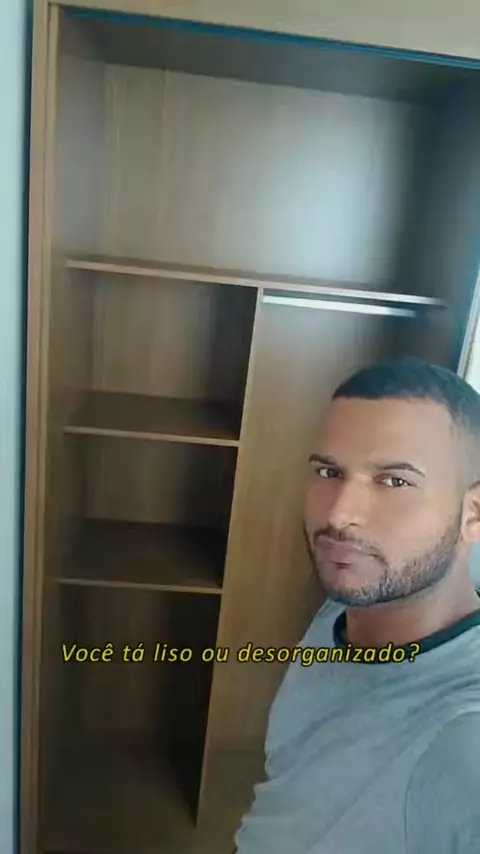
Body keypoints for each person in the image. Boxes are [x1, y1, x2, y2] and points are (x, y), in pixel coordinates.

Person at [233, 359, 480, 854]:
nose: (339, 513)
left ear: (473, 515)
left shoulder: (461, 741)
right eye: (329, 472)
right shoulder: (353, 598)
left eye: (395, 481)